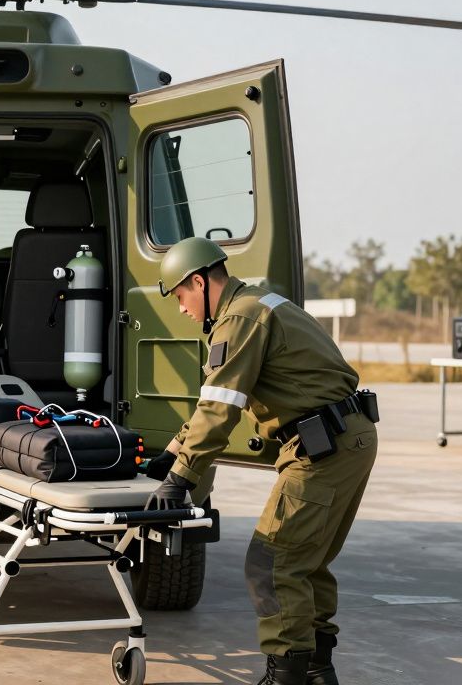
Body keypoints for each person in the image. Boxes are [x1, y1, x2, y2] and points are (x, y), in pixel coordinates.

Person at [143, 237, 378, 685]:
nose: (181, 308)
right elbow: (221, 398)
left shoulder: (240, 316)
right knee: (307, 564)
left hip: (322, 449)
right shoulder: (259, 302)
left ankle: (285, 675)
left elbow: (219, 407)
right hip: (349, 437)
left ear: (199, 281)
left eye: (179, 295)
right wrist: (174, 450)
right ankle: (316, 670)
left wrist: (180, 478)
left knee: (271, 563)